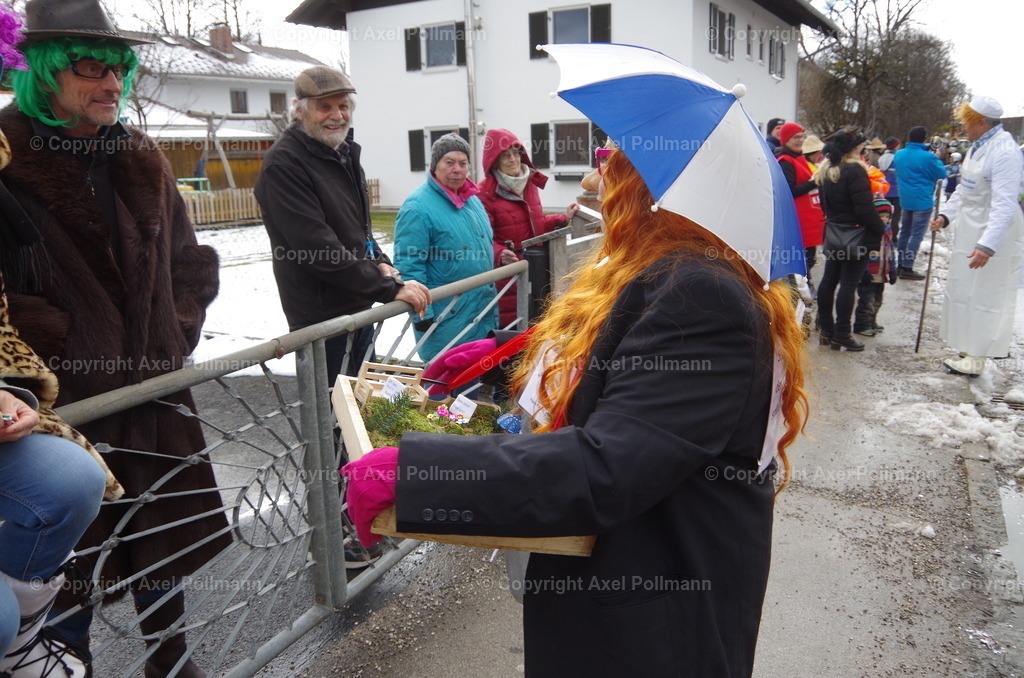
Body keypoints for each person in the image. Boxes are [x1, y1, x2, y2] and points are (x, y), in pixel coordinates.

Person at [343, 147, 808, 676]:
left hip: (656, 616)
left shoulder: (702, 295)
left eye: (616, 172)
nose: (598, 186)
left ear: (655, 194)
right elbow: (616, 357)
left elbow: (608, 465)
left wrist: (417, 477)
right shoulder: (677, 269)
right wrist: (504, 353)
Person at [1, 2, 229, 674]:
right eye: (90, 67)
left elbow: (189, 259)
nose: (111, 83)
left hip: (154, 385)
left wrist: (176, 326)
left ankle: (171, 657)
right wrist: (56, 346)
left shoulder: (139, 153)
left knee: (163, 531)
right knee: (73, 553)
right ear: (44, 72)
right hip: (64, 403)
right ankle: (64, 663)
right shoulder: (7, 158)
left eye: (119, 67)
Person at [255, 66, 429, 382]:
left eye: (343, 105)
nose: (337, 115)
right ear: (300, 110)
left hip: (357, 306)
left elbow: (359, 229)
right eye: (325, 106)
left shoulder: (343, 153)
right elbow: (317, 247)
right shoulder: (284, 164)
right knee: (335, 418)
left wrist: (380, 263)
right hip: (322, 318)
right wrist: (389, 289)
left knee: (363, 409)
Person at [930, 95, 1024, 377]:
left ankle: (977, 356)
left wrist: (988, 244)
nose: (963, 128)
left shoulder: (1005, 152)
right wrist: (946, 215)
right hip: (970, 226)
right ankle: (967, 344)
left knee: (985, 293)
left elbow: (1005, 203)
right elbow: (964, 190)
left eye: (967, 123)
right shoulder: (978, 146)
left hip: (993, 229)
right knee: (964, 288)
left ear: (981, 122)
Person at [393, 133, 497, 362]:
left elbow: (480, 245)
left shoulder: (472, 200)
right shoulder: (417, 207)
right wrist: (423, 316)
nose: (457, 169)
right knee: (442, 388)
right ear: (435, 166)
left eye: (462, 163)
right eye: (449, 162)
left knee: (471, 386)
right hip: (445, 318)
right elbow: (409, 263)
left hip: (480, 311)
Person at [478, 129, 577, 329]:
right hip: (508, 272)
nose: (513, 159)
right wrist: (499, 254)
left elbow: (536, 224)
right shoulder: (485, 192)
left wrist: (562, 218)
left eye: (516, 152)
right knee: (511, 329)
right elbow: (482, 238)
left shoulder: (528, 183)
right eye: (505, 155)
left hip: (537, 266)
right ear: (494, 160)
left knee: (537, 322)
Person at [814, 130, 887, 351]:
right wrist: (879, 229)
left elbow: (826, 206)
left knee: (829, 281)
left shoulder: (825, 169)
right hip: (856, 235)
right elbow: (864, 208)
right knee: (848, 284)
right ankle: (842, 334)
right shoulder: (854, 170)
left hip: (835, 232)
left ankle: (826, 331)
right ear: (854, 148)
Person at [775, 123, 824, 296]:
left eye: (802, 137)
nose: (801, 140)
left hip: (807, 218)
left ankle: (804, 287)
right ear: (786, 139)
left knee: (809, 256)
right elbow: (790, 191)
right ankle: (801, 291)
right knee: (802, 258)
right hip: (797, 218)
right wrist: (814, 182)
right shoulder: (785, 161)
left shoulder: (799, 157)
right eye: (796, 137)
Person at [893, 125, 947, 280]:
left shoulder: (899, 154)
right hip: (922, 200)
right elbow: (941, 173)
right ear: (924, 139)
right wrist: (936, 157)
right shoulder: (927, 157)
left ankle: (900, 263)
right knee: (916, 235)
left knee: (904, 232)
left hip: (905, 198)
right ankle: (908, 266)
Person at [853, 199, 896, 336]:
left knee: (877, 300)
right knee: (866, 301)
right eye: (880, 216)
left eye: (886, 216)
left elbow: (891, 251)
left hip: (881, 274)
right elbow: (862, 252)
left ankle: (872, 321)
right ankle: (861, 325)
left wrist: (893, 269)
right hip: (869, 274)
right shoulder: (867, 231)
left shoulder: (888, 231)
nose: (884, 219)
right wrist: (863, 270)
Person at [878, 137, 901, 225]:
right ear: (895, 146)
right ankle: (893, 235)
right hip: (896, 191)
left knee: (885, 214)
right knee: (896, 215)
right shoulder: (897, 158)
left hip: (885, 190)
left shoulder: (881, 158)